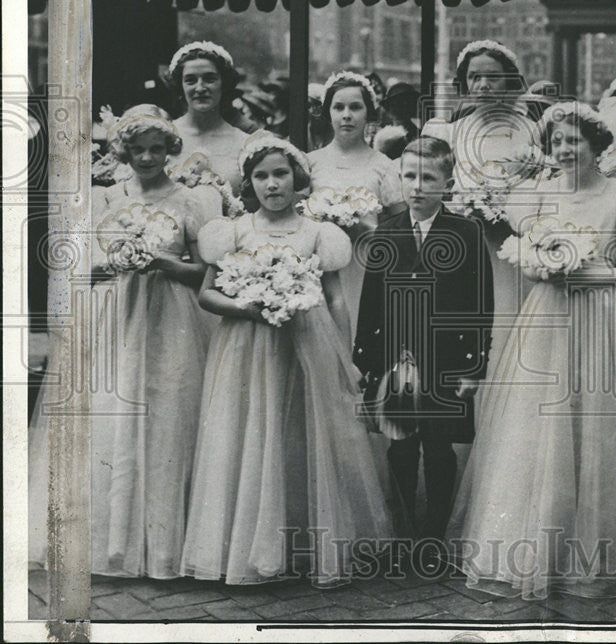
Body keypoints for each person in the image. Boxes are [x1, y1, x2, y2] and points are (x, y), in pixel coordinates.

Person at [449, 103, 616, 599]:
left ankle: (603, 554)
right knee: (543, 433)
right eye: (558, 142)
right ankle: (540, 550)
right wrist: (545, 265)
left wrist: (594, 274)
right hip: (550, 319)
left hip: (607, 318)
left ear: (596, 146)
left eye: (575, 142)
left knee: (602, 430)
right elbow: (525, 264)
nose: (566, 150)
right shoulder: (536, 199)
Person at [181, 132, 392, 587]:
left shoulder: (319, 233)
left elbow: (335, 300)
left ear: (297, 180)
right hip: (246, 350)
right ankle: (254, 546)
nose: (272, 184)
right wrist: (246, 307)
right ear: (249, 184)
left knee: (300, 438)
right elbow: (207, 295)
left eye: (280, 174)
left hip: (306, 348)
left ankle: (301, 541)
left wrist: (344, 357)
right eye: (261, 176)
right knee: (254, 436)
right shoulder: (232, 232)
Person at [30, 105, 220, 578]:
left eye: (157, 149)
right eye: (138, 149)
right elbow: (81, 267)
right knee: (109, 417)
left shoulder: (190, 201)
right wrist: (114, 263)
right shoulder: (106, 197)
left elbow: (204, 272)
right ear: (124, 151)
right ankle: (105, 540)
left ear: (170, 151)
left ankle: (165, 546)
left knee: (169, 413)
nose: (148, 157)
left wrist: (162, 262)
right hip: (115, 314)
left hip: (171, 317)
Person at [353, 137, 494, 545]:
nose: (416, 187)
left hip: (445, 361)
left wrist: (473, 367)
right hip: (396, 361)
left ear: (447, 184)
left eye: (428, 177)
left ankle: (433, 532)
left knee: (438, 449)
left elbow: (480, 304)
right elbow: (371, 302)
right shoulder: (388, 232)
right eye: (409, 176)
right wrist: (366, 362)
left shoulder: (465, 233)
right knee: (399, 447)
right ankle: (402, 529)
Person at [422, 40, 538, 367]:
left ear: (509, 81)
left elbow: (543, 191)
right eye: (475, 77)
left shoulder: (531, 132)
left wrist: (508, 211)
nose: (483, 85)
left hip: (509, 252)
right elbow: (431, 193)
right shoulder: (450, 132)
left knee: (507, 324)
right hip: (463, 251)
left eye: (493, 77)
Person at [308, 71, 406, 337]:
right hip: (322, 270)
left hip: (366, 267)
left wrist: (367, 229)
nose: (347, 115)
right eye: (338, 107)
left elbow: (402, 229)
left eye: (355, 107)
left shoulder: (384, 167)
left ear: (369, 113)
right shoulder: (310, 163)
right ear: (327, 112)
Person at [169, 41, 248, 193]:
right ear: (181, 86)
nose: (200, 88)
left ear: (223, 84)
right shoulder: (165, 136)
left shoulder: (243, 143)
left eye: (209, 79)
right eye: (190, 80)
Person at [373, 81, 421, 160]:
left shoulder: (418, 136)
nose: (400, 108)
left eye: (406, 103)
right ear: (388, 108)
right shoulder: (380, 135)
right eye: (395, 104)